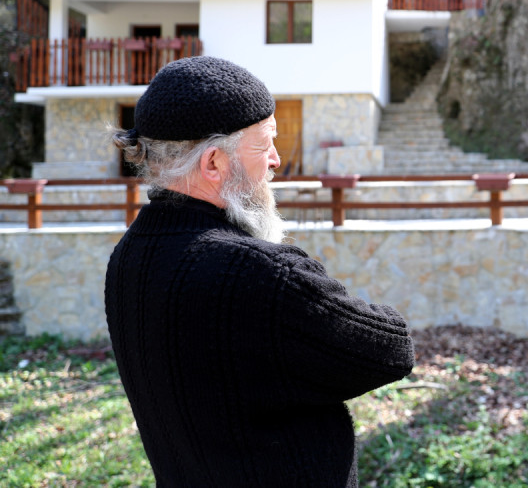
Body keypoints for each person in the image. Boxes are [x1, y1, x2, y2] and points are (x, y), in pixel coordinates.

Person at [106, 56, 414, 487]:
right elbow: (391, 348)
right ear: (214, 163)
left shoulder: (128, 255)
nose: (275, 159)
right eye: (264, 142)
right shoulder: (260, 274)